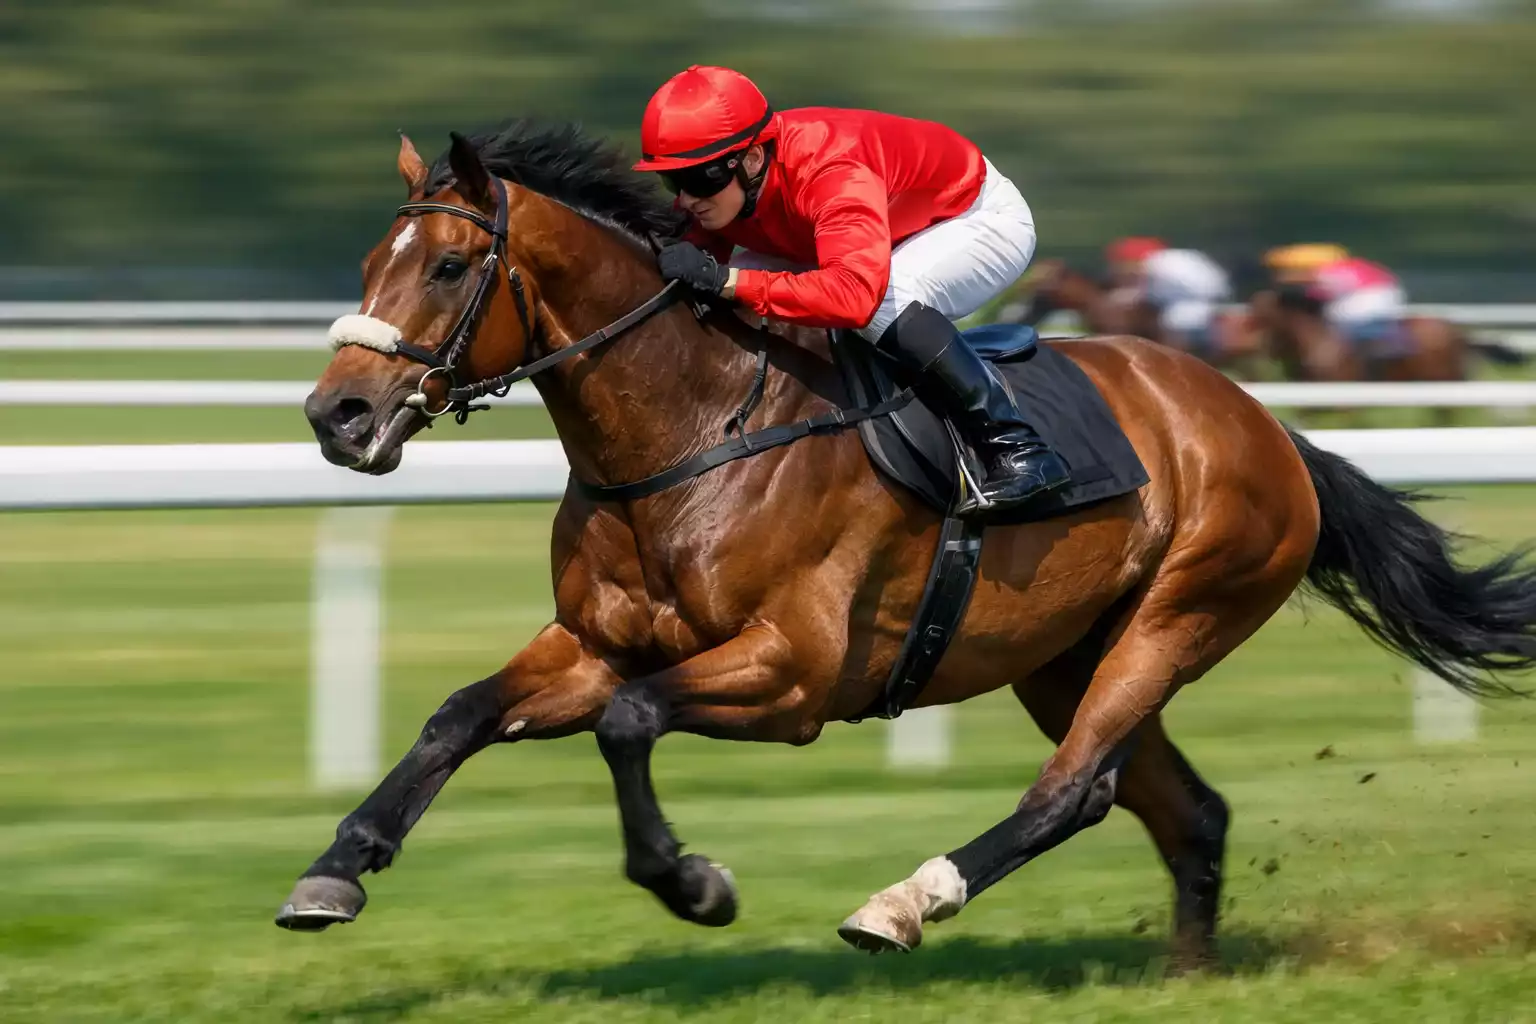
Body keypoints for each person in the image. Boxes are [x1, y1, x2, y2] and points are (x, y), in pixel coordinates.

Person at [632, 64, 1069, 512]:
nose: (684, 199)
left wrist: (727, 280)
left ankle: (1018, 447)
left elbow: (853, 297)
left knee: (880, 301)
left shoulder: (831, 169)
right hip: (858, 230)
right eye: (673, 181)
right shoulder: (734, 185)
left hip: (973, 218)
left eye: (698, 179)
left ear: (753, 159)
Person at [1263, 244, 1407, 351]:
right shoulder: (1350, 266)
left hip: (1370, 300)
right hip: (1383, 297)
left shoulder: (1330, 271)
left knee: (1334, 316)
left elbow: (1311, 287)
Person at [1104, 237, 1232, 355]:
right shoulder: (1181, 258)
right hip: (1214, 304)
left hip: (1188, 311)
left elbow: (1150, 296)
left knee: (1167, 323)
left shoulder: (1154, 265)